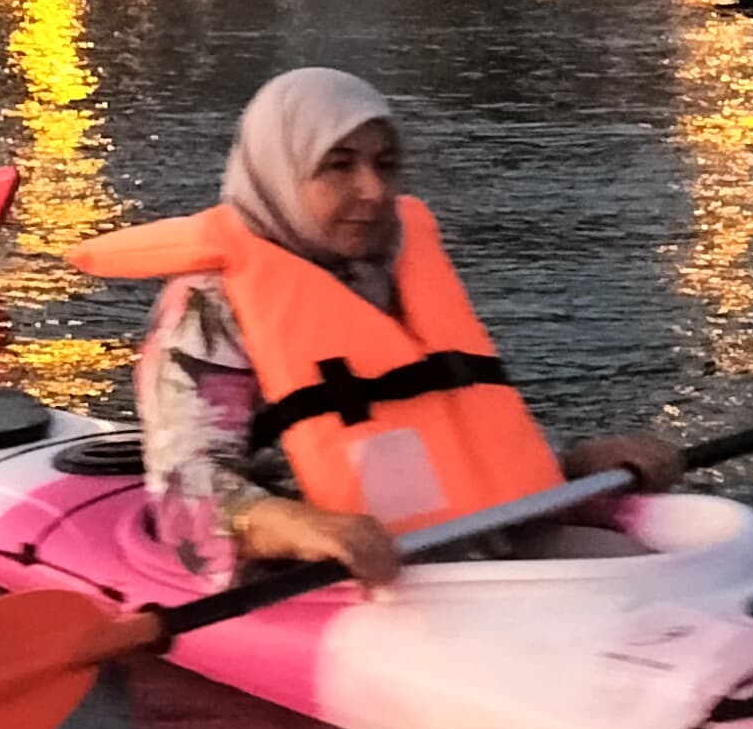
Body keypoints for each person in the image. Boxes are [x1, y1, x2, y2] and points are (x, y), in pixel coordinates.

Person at [71, 69, 680, 587]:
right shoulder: (207, 310)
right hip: (329, 579)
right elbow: (187, 501)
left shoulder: (391, 274)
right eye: (338, 166)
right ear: (279, 172)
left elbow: (447, 427)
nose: (373, 190)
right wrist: (295, 525)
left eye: (386, 165)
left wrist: (573, 467)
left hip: (470, 553)